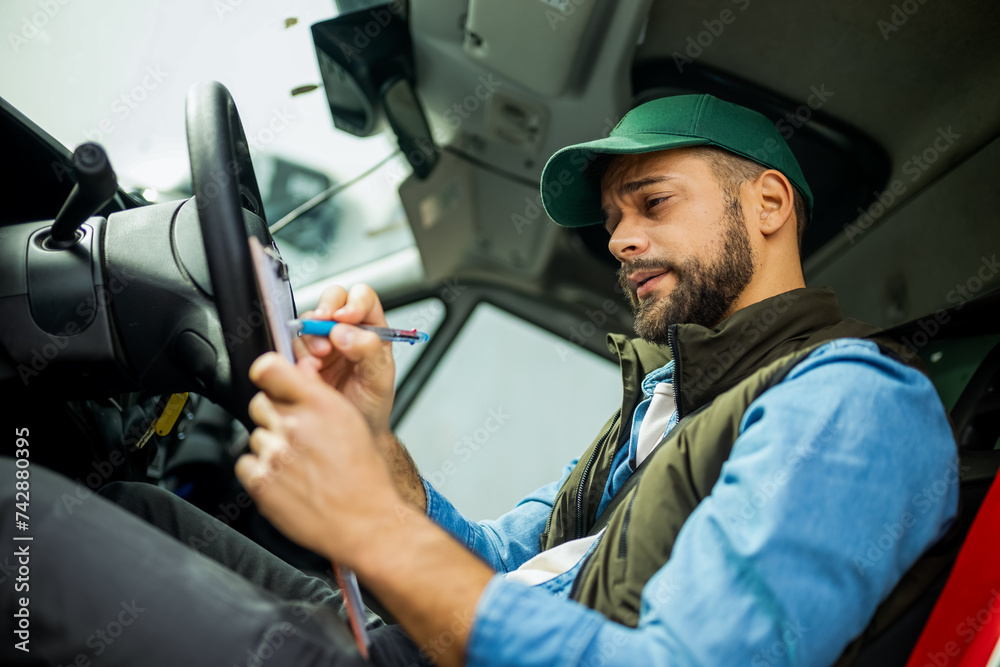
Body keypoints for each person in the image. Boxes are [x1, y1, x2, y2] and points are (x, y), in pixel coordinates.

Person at [1, 94, 957, 667]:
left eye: (652, 204)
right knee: (134, 502)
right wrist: (376, 443)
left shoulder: (851, 403)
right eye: (614, 219)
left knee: (16, 520)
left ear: (770, 203)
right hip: (400, 639)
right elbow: (509, 560)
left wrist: (368, 523)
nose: (620, 241)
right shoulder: (672, 400)